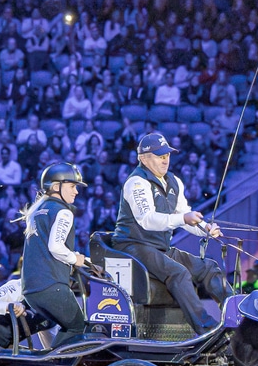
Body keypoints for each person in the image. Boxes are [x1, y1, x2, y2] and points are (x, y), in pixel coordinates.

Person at [111, 132, 229, 335]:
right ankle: (207, 329)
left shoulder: (174, 182)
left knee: (209, 267)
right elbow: (147, 220)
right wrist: (184, 218)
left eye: (167, 155)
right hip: (133, 246)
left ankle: (237, 317)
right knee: (179, 272)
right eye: (159, 156)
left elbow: (184, 215)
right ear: (143, 158)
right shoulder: (136, 183)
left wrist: (205, 229)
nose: (165, 160)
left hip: (160, 247)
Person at [20, 162, 91, 346]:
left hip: (30, 289)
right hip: (51, 286)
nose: (76, 191)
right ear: (56, 186)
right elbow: (56, 247)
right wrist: (76, 259)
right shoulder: (63, 212)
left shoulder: (37, 211)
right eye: (72, 186)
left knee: (53, 322)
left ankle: (48, 359)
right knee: (77, 326)